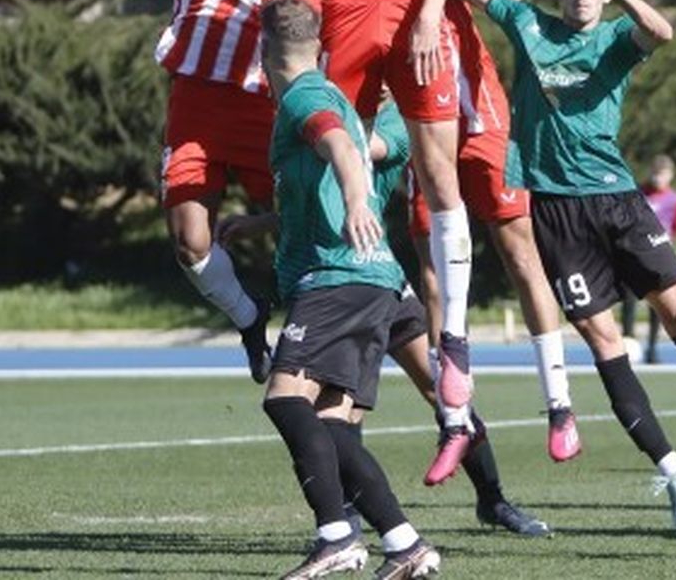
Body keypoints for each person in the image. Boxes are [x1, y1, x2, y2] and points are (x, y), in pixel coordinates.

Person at [451, 0, 676, 530]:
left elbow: (663, 30)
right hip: (555, 212)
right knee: (605, 341)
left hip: (618, 200)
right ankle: (674, 468)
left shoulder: (617, 38)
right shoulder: (529, 23)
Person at [0, 0, 300, 384]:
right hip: (194, 105)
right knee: (190, 243)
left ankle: (327, 324)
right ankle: (249, 318)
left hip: (258, 109)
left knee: (309, 212)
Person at [220, 97, 554, 538]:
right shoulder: (326, 106)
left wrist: (324, 128)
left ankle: (492, 499)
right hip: (342, 279)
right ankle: (352, 514)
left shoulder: (386, 118)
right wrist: (265, 222)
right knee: (341, 409)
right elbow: (317, 201)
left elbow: (356, 154)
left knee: (442, 392)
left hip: (374, 278)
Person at [276, 0, 477, 456]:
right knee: (337, 155)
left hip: (414, 2)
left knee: (438, 175)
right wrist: (289, 44)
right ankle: (347, 313)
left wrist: (428, 16)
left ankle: (452, 335)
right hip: (351, 11)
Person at [255, 0, 439, 580]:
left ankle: (335, 535)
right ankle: (406, 545)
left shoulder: (305, 95)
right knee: (333, 425)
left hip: (338, 279)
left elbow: (337, 146)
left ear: (264, 53)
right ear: (321, 46)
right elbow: (325, 176)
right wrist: (258, 225)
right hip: (369, 282)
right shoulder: (326, 93)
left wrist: (359, 200)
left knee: (285, 399)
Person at [403, 0, 580, 480]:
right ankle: (455, 422)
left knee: (520, 253)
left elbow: (512, 8)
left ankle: (560, 403)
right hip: (422, 135)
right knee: (431, 270)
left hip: (481, 122)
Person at [622, 155, 676, 363]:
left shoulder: (675, 200)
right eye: (655, 174)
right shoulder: (639, 193)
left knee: (659, 301)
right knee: (629, 298)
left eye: (662, 175)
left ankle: (652, 345)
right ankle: (628, 340)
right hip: (635, 252)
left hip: (659, 254)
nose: (658, 179)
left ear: (670, 175)